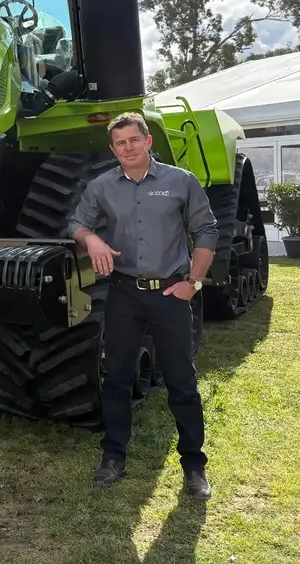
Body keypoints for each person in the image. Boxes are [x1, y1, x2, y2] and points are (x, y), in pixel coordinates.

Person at [67, 111, 218, 501]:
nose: (128, 148)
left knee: (181, 381)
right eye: (120, 143)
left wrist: (193, 283)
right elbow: (77, 224)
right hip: (124, 294)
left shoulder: (180, 182)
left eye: (134, 140)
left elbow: (206, 230)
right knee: (116, 378)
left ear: (148, 141)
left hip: (170, 293)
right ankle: (113, 456)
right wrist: (92, 241)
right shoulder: (102, 186)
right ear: (112, 148)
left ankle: (194, 465)